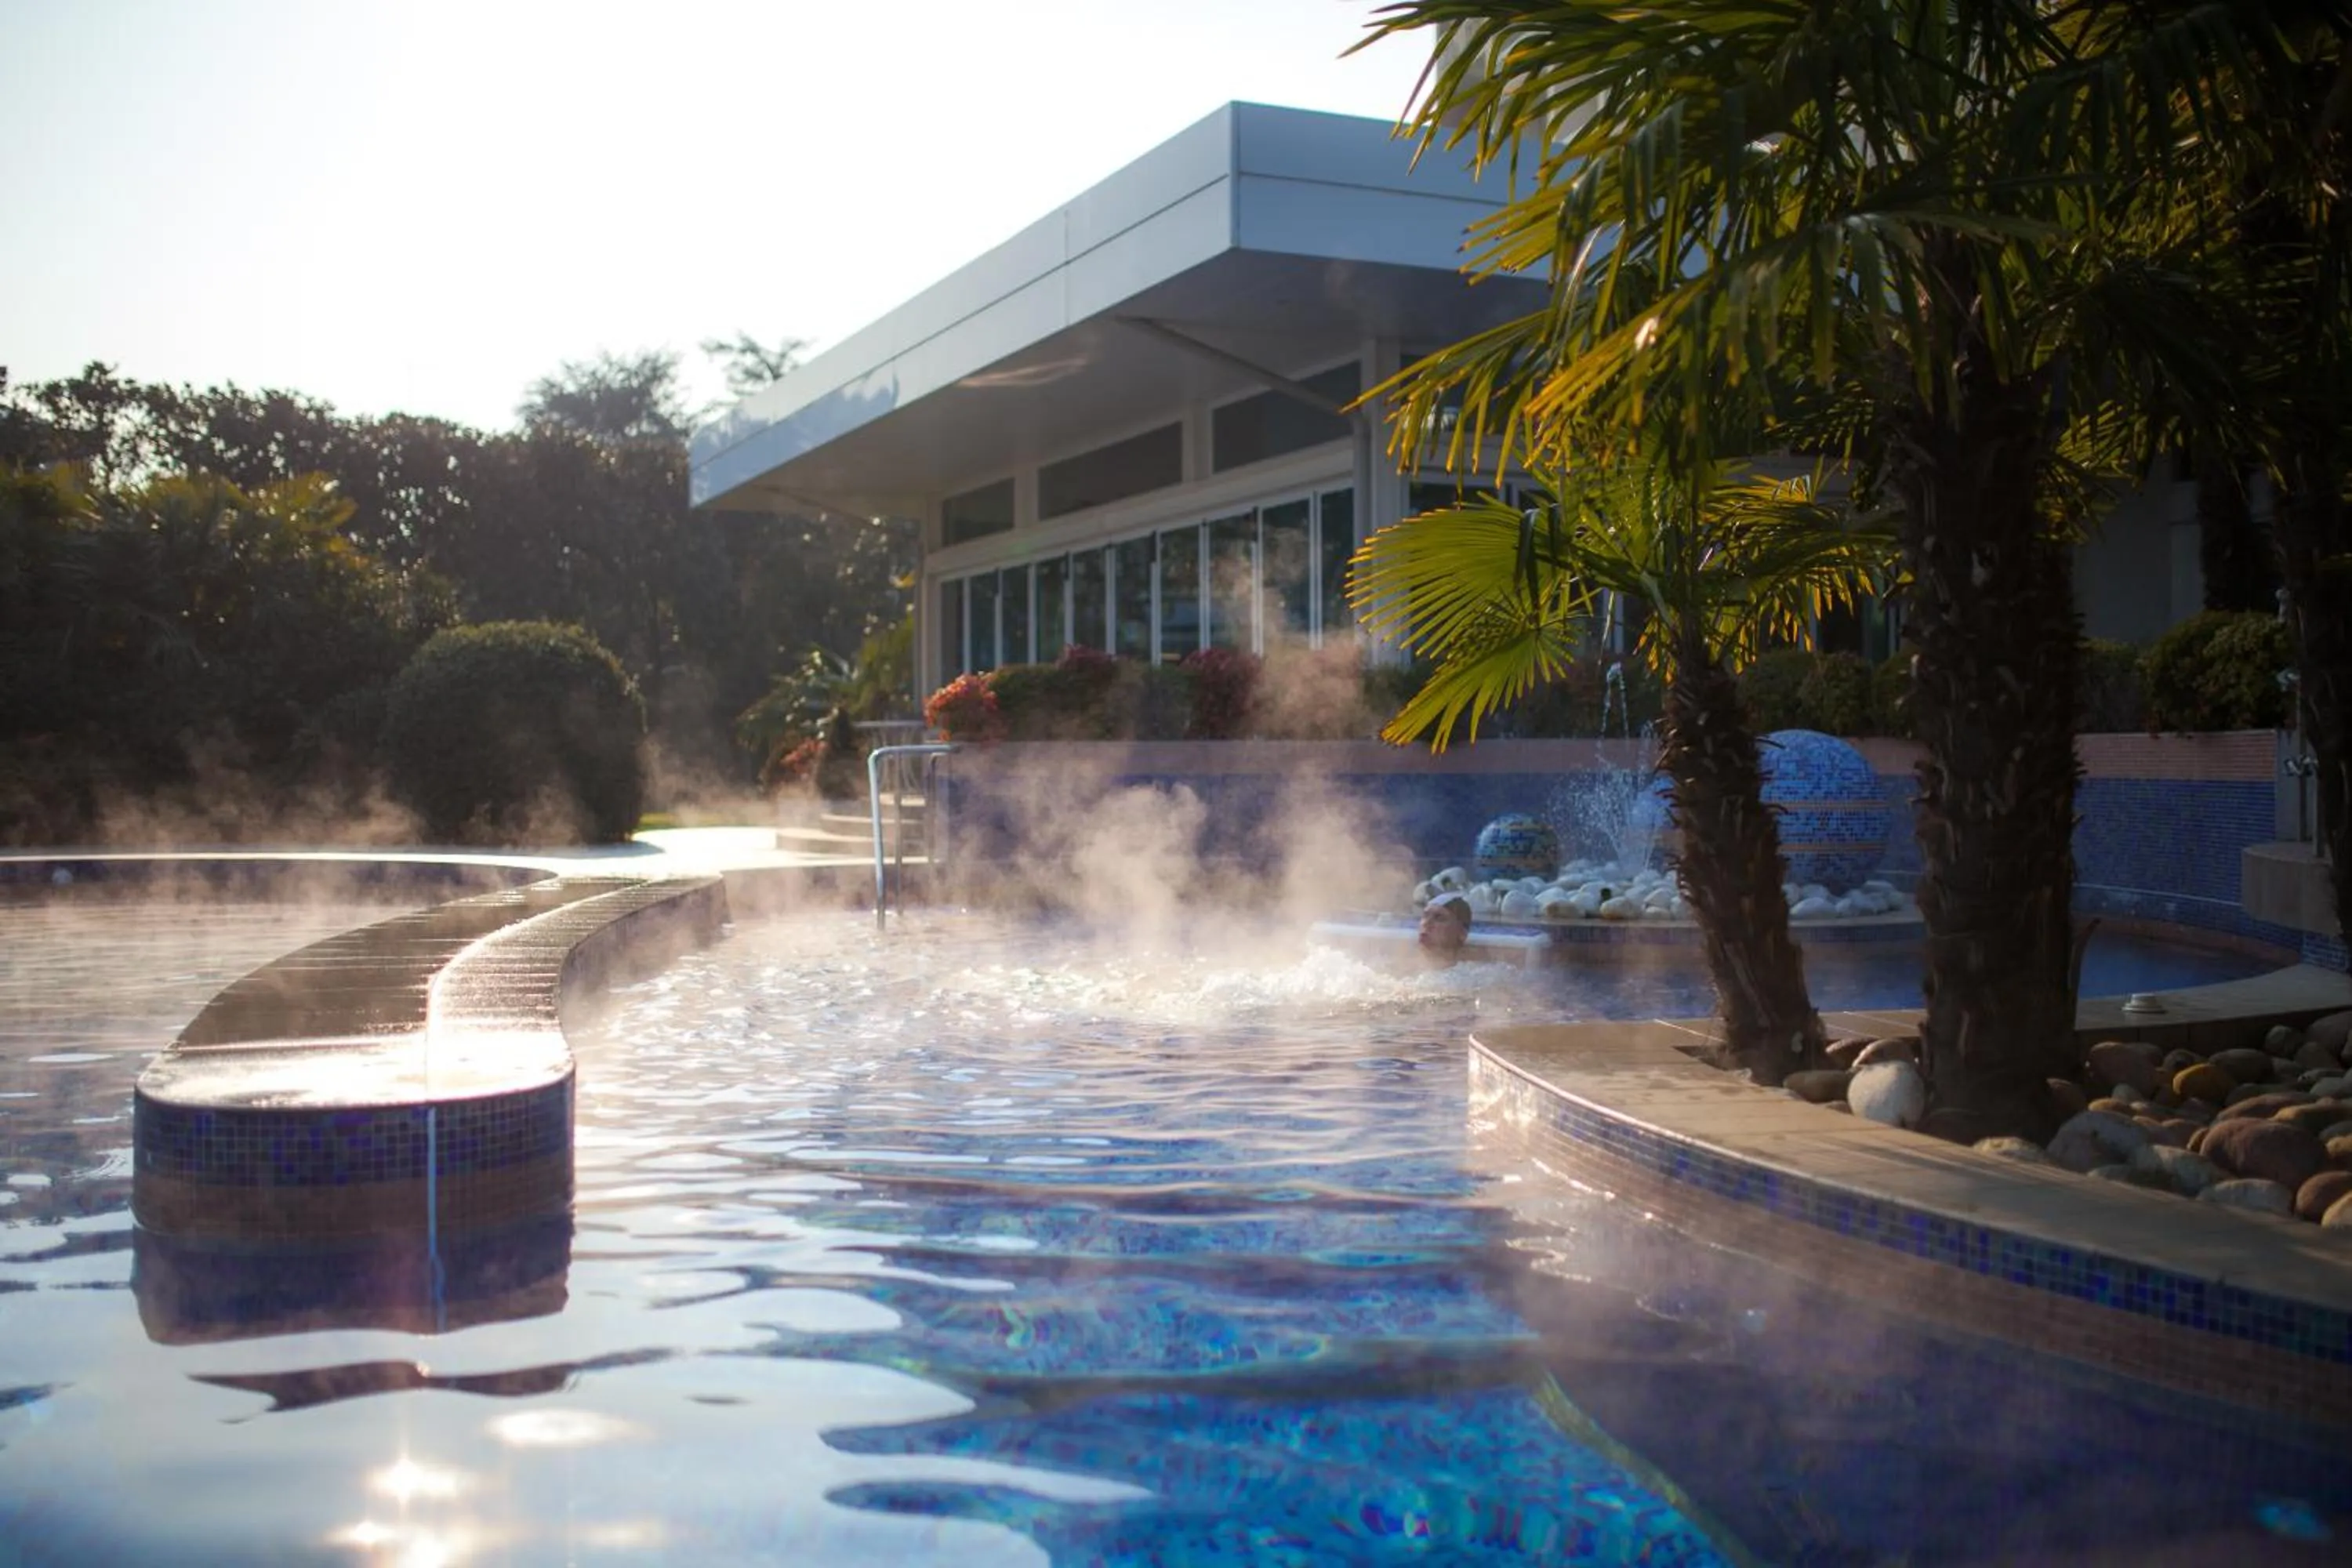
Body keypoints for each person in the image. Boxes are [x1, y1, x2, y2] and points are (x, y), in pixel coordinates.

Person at [1417, 892, 1472, 966]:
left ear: (1462, 933)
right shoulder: (1401, 969)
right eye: (1425, 915)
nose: (1426, 923)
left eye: (1439, 918)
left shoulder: (1471, 975)